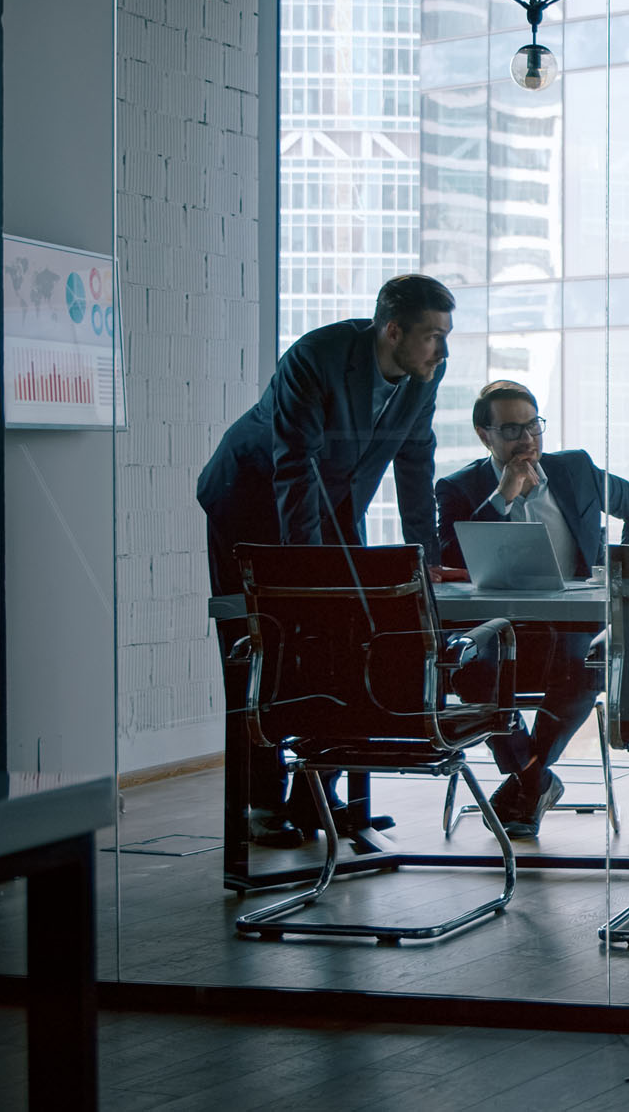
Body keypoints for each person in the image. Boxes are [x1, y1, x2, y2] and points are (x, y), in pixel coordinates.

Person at [198, 274, 455, 849]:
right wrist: (308, 573)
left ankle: (316, 792)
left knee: (350, 641)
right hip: (250, 502)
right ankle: (262, 803)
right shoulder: (316, 357)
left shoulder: (425, 373)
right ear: (393, 331)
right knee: (261, 645)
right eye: (433, 335)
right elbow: (292, 465)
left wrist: (427, 559)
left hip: (332, 502)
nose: (443, 350)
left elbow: (416, 462)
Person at [434, 380, 629, 837]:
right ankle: (535, 781)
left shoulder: (575, 469)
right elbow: (451, 557)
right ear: (484, 435)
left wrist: (618, 565)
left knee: (584, 665)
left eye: (533, 425)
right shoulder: (459, 487)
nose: (527, 439)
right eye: (512, 430)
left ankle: (527, 780)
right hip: (498, 628)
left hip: (572, 624)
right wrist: (503, 496)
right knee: (470, 670)